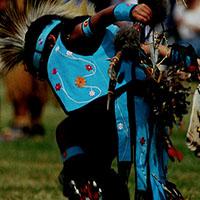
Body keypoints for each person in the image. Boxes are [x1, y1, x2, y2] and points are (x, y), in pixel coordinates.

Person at [0, 0, 198, 199]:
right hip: (115, 115)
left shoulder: (71, 35)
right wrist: (180, 57)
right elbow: (145, 48)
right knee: (71, 136)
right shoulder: (107, 40)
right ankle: (90, 182)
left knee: (147, 183)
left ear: (51, 41)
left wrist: (128, 11)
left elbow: (100, 18)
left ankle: (84, 180)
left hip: (129, 110)